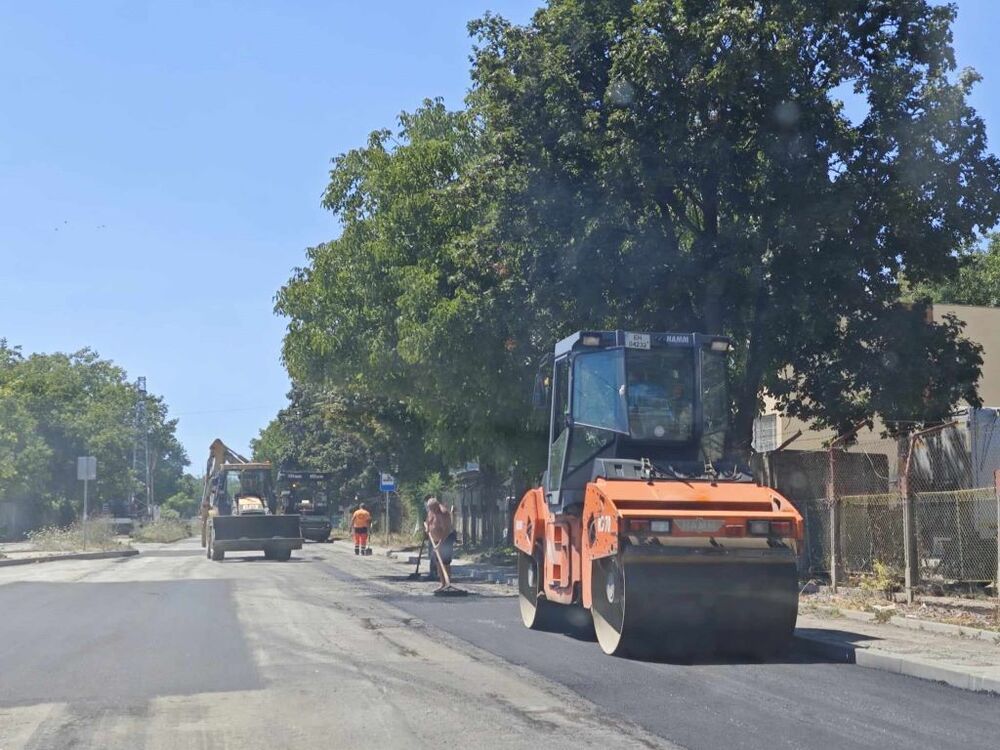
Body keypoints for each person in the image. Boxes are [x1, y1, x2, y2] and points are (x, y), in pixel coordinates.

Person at [423, 495, 456, 589]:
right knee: (438, 562)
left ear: (437, 506)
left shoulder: (443, 513)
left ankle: (448, 582)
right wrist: (427, 528)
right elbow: (428, 520)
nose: (431, 510)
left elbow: (446, 530)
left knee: (445, 562)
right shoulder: (431, 511)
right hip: (436, 541)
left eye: (432, 508)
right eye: (429, 509)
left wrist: (439, 544)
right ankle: (442, 583)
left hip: (446, 540)